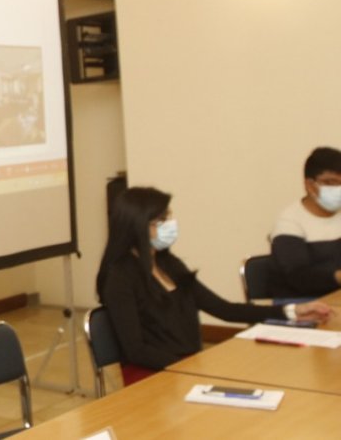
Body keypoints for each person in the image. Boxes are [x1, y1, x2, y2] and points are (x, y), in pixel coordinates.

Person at [96, 186, 333, 385]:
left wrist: (291, 312)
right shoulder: (120, 277)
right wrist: (193, 368)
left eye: (169, 216)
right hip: (152, 377)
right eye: (161, 220)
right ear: (136, 225)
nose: (170, 224)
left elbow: (225, 309)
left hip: (188, 367)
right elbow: (136, 349)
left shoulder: (170, 264)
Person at [270, 146, 341, 298]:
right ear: (310, 185)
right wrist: (338, 277)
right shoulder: (289, 222)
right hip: (301, 305)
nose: (338, 189)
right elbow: (298, 277)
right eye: (331, 182)